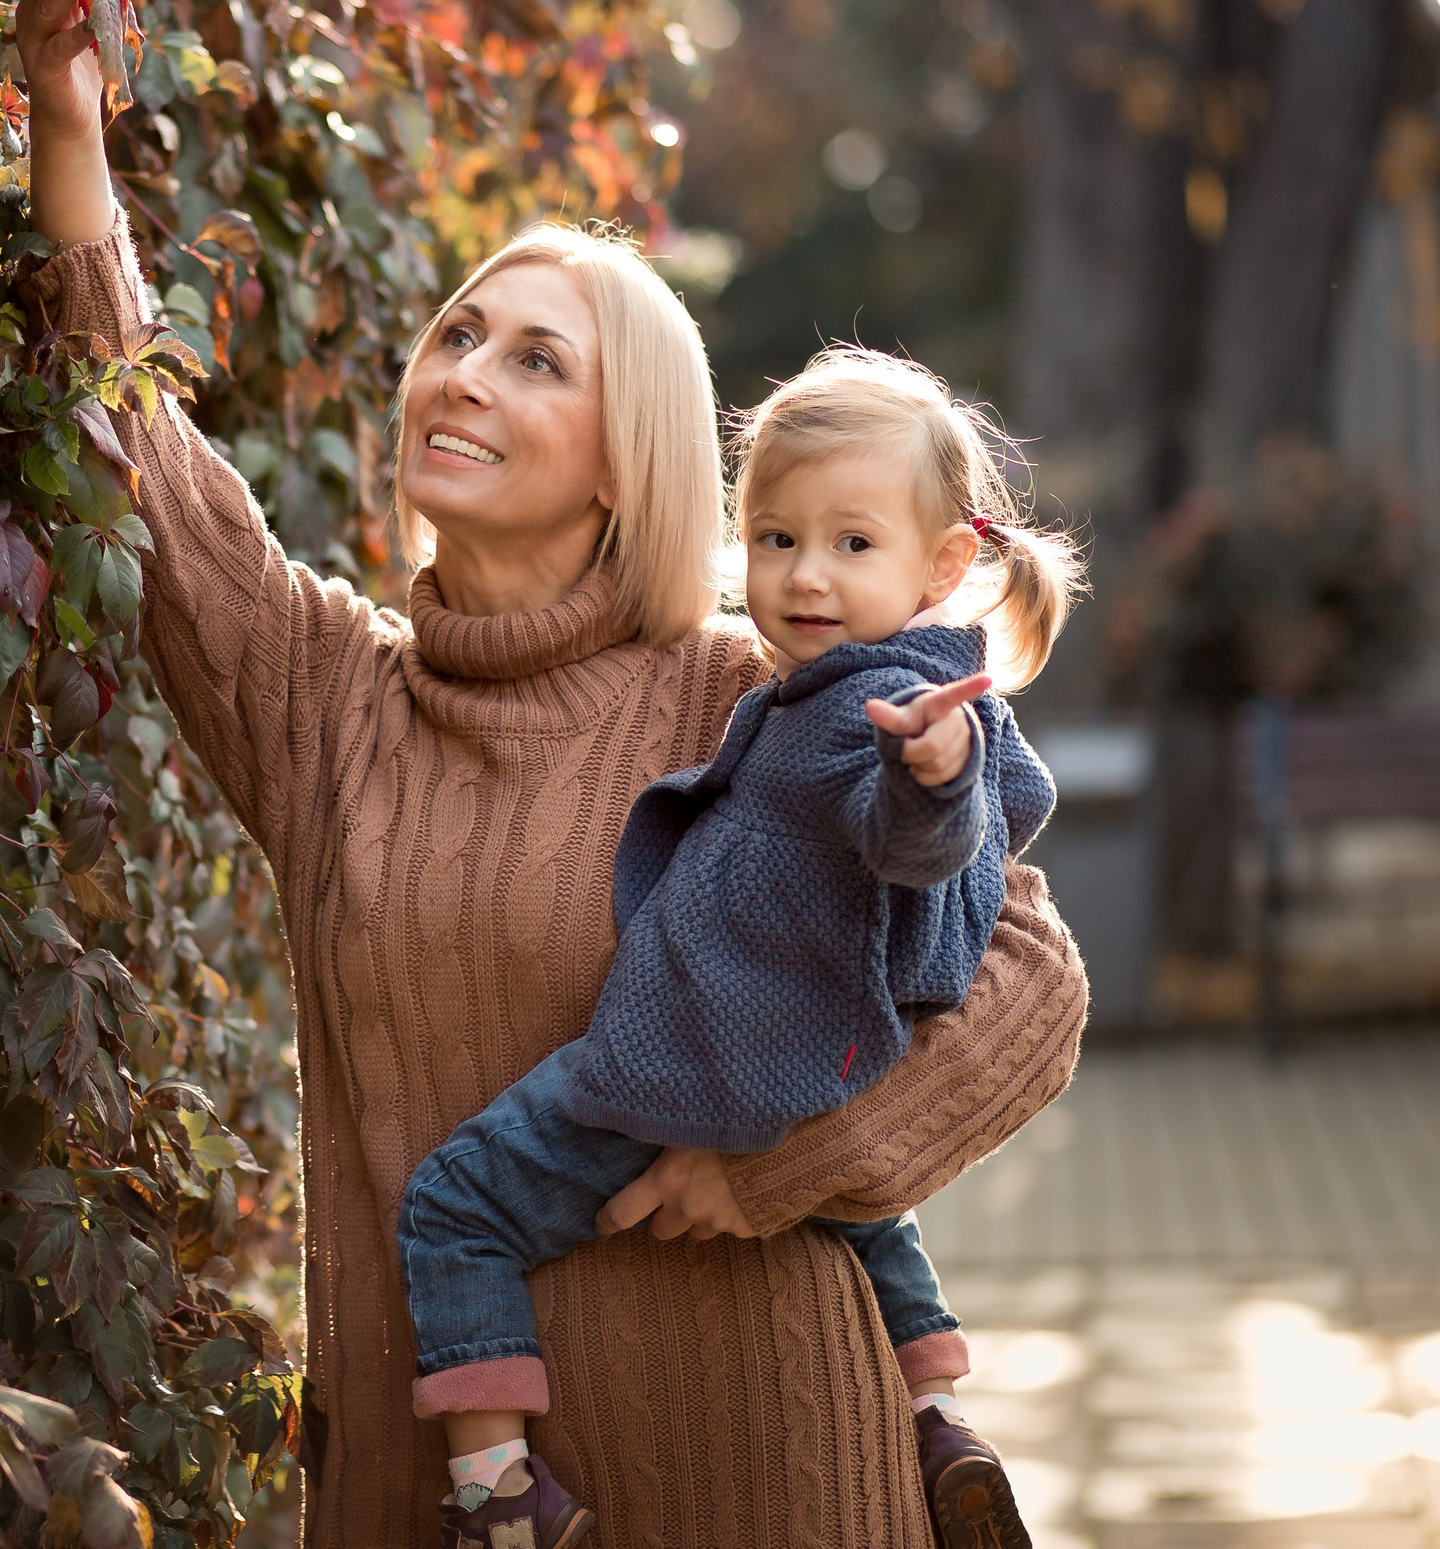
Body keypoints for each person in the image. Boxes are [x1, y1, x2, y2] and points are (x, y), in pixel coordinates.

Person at [0, 0, 1089, 1547]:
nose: (464, 375)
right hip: (460, 1497)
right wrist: (67, 131)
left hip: (770, 1455)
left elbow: (1029, 985)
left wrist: (785, 1170)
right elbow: (152, 483)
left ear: (621, 455)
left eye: (534, 360)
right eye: (453, 338)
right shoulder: (331, 707)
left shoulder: (754, 693)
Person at [397, 347, 1081, 1549]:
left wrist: (931, 780)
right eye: (773, 539)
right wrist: (955, 773)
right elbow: (1009, 805)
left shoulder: (867, 712)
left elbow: (916, 837)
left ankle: (497, 1498)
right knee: (857, 1211)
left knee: (455, 1205)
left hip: (705, 1050)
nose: (803, 576)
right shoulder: (931, 686)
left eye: (850, 544)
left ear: (945, 563)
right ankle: (936, 1414)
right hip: (828, 1057)